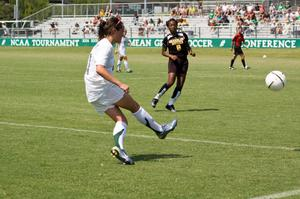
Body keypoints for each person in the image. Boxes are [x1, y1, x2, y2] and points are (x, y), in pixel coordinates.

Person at [84, 16, 177, 165]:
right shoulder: (106, 46)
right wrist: (120, 83)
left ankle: (120, 149)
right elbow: (99, 69)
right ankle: (160, 130)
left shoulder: (102, 44)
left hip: (92, 92)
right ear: (114, 30)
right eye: (122, 31)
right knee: (135, 107)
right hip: (102, 88)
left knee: (121, 120)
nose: (124, 34)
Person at [151, 18, 195, 112]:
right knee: (170, 82)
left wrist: (191, 52)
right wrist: (171, 55)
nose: (173, 26)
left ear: (177, 25)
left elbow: (187, 46)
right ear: (168, 27)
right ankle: (156, 98)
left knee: (180, 85)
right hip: (173, 62)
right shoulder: (167, 38)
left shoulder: (183, 35)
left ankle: (170, 104)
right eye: (171, 25)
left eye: (174, 24)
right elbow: (163, 52)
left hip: (184, 62)